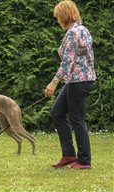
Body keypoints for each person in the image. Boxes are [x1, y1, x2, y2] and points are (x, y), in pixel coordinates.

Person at [44, 0, 96, 169]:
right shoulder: (82, 30)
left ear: (64, 15)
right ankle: (68, 155)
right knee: (57, 112)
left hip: (79, 80)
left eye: (58, 16)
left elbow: (68, 61)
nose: (57, 20)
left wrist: (53, 83)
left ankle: (84, 160)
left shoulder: (74, 33)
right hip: (76, 79)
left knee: (77, 119)